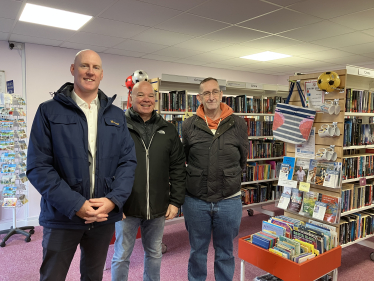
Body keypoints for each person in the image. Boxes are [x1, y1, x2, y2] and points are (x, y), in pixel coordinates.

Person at [27, 49, 137, 281]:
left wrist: (113, 201)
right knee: (52, 276)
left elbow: (127, 162)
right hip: (62, 215)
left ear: (102, 73)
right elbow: (38, 167)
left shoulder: (116, 115)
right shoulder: (48, 111)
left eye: (95, 67)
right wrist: (76, 204)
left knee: (93, 276)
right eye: (84, 66)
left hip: (102, 215)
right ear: (73, 69)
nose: (90, 71)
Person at [111, 81, 186, 281]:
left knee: (154, 253)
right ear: (131, 98)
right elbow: (107, 167)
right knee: (121, 256)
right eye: (141, 95)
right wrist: (115, 202)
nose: (146, 99)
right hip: (126, 206)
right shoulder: (117, 126)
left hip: (158, 207)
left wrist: (175, 201)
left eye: (151, 96)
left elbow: (178, 167)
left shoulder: (168, 130)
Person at [182, 77, 248, 280]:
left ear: (221, 95)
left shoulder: (238, 123)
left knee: (225, 252)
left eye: (215, 92)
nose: (211, 96)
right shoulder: (188, 125)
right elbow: (185, 157)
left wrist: (229, 178)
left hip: (229, 200)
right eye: (206, 93)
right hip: (196, 201)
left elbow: (242, 158)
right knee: (197, 251)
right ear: (199, 98)